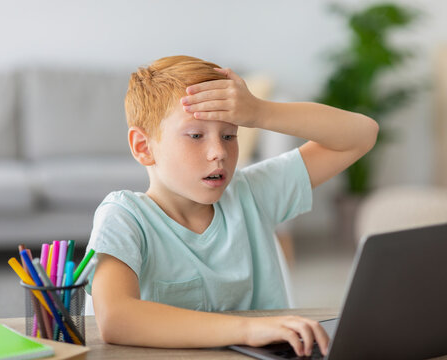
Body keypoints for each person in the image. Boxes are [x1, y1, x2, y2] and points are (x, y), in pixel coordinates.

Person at [85, 55, 378, 357]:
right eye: (196, 135)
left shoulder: (251, 193)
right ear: (144, 147)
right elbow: (115, 318)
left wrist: (260, 112)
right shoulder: (124, 217)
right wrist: (246, 330)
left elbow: (362, 134)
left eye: (229, 135)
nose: (218, 152)